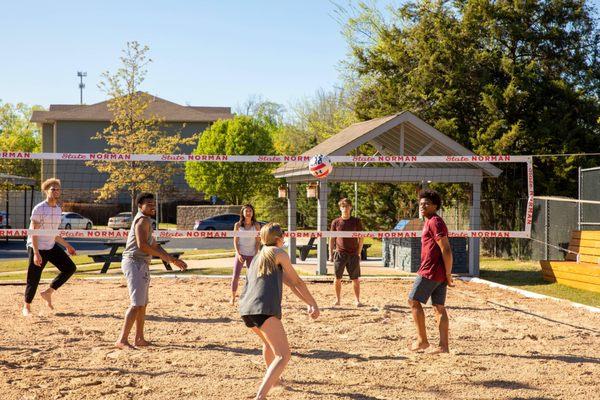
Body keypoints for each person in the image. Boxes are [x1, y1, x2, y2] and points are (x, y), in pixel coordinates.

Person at [239, 223, 320, 400]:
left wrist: (307, 303)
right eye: (283, 235)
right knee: (283, 355)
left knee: (269, 345)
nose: (284, 238)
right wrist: (314, 303)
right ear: (278, 238)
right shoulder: (278, 253)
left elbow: (290, 284)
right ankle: (260, 397)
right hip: (263, 309)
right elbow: (298, 281)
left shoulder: (258, 257)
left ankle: (274, 382)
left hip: (246, 309)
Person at [115, 192, 188, 349]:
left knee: (142, 304)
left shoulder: (147, 221)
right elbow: (143, 246)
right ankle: (122, 340)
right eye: (148, 204)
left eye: (153, 203)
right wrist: (170, 259)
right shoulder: (141, 221)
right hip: (134, 262)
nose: (152, 206)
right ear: (140, 206)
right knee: (136, 304)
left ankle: (139, 338)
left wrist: (173, 259)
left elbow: (154, 245)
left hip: (141, 263)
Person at [23, 178, 77, 317]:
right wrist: (36, 253)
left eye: (58, 189)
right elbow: (34, 232)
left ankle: (48, 292)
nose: (56, 191)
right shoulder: (39, 208)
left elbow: (53, 233)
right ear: (46, 191)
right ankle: (27, 306)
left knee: (70, 268)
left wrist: (67, 246)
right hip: (37, 246)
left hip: (50, 246)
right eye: (53, 189)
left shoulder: (58, 209)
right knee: (34, 278)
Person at [408, 189, 454, 354]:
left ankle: (422, 341)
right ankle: (443, 346)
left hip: (431, 270)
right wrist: (446, 274)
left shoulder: (435, 222)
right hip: (438, 271)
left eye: (426, 203)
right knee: (439, 307)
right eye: (421, 203)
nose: (422, 206)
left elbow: (446, 249)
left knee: (413, 301)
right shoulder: (430, 221)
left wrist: (448, 274)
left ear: (435, 205)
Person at [328, 198, 364, 307]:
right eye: (343, 207)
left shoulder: (356, 221)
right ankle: (338, 300)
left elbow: (361, 238)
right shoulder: (336, 222)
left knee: (355, 279)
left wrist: (358, 252)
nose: (345, 209)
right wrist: (331, 254)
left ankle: (357, 300)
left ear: (351, 207)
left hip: (353, 254)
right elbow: (331, 239)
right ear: (340, 208)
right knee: (337, 278)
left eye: (347, 206)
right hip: (340, 253)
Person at [231, 204, 261, 305]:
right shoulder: (238, 225)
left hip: (252, 254)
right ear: (242, 213)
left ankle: (250, 297)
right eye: (246, 211)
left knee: (252, 276)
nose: (248, 213)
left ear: (253, 213)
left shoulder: (256, 225)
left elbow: (258, 241)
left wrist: (256, 253)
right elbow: (235, 240)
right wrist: (238, 253)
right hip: (241, 253)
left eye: (250, 211)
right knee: (235, 276)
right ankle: (233, 297)